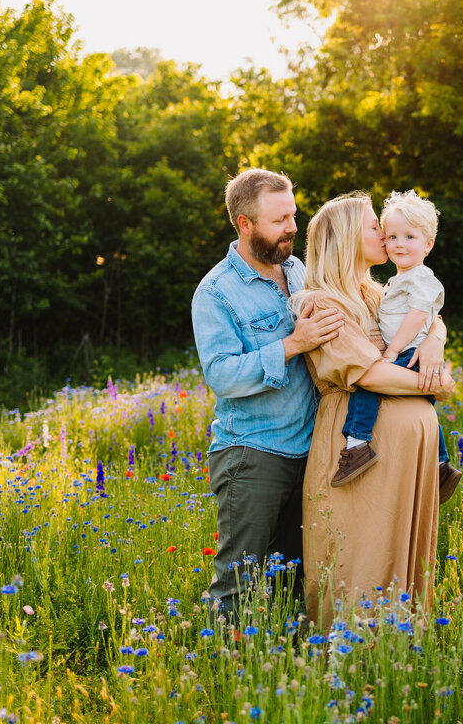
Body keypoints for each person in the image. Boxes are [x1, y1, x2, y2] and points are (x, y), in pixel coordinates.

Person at [290, 192, 456, 627]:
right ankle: (349, 657)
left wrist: (437, 337)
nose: (384, 235)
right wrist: (437, 386)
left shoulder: (377, 293)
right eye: (373, 227)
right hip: (360, 447)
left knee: (402, 548)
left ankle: (402, 650)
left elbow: (426, 313)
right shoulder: (321, 302)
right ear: (346, 239)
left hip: (405, 455)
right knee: (361, 552)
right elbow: (369, 376)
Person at [191, 168, 345, 621]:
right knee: (239, 581)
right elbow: (221, 375)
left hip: (310, 451)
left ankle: (286, 670)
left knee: (295, 576)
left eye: (293, 215)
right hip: (252, 453)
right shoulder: (216, 291)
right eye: (279, 220)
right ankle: (223, 676)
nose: (292, 228)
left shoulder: (298, 271)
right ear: (244, 223)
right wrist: (293, 343)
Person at [332, 190, 462, 503]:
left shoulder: (420, 278)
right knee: (423, 403)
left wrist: (392, 353)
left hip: (406, 351)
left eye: (409, 237)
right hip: (409, 350)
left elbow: (419, 317)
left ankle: (357, 443)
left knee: (369, 386)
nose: (399, 244)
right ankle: (442, 463)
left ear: (429, 244)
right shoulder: (396, 279)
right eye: (392, 236)